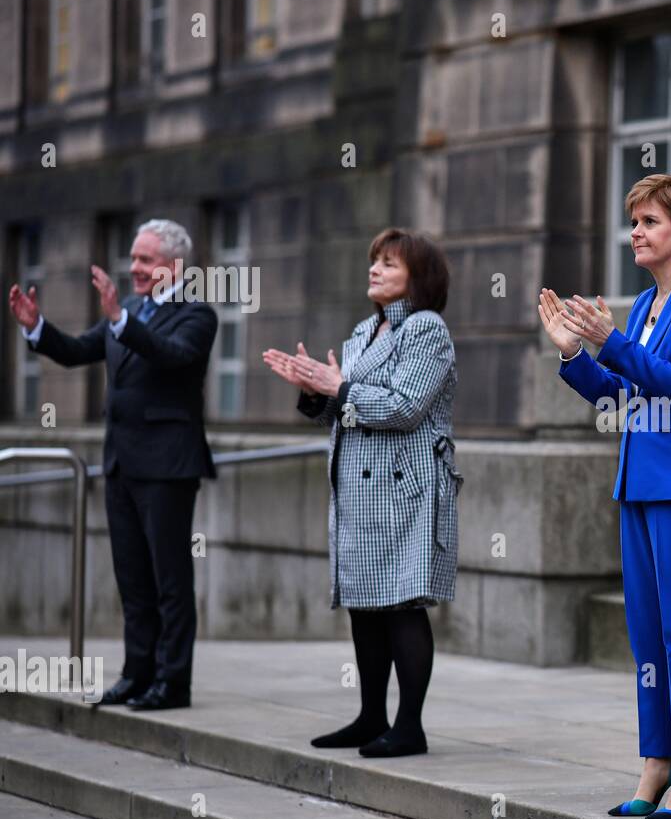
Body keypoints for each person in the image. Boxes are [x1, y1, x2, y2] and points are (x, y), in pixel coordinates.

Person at [539, 172, 671, 819]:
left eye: (650, 222)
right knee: (646, 636)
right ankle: (655, 761)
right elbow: (626, 398)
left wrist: (609, 341)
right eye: (634, 222)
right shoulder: (648, 305)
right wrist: (575, 355)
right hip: (641, 481)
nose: (636, 233)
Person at [263, 227, 461, 758]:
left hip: (407, 490)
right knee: (365, 605)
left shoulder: (427, 330)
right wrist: (313, 392)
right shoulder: (361, 333)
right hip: (356, 488)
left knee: (402, 604)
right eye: (374, 260)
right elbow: (342, 412)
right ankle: (371, 715)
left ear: (418, 278)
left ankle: (409, 726)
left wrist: (339, 386)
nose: (374, 269)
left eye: (389, 264)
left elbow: (405, 407)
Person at [8, 219, 217, 711]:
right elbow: (80, 350)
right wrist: (35, 327)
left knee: (169, 580)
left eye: (145, 259)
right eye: (134, 258)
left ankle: (173, 681)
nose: (135, 268)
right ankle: (136, 672)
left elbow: (172, 356)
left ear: (174, 266)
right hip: (121, 464)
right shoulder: (131, 311)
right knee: (132, 578)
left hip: (168, 467)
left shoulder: (197, 314)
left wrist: (123, 321)